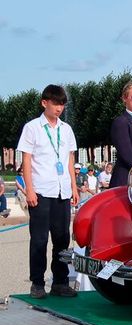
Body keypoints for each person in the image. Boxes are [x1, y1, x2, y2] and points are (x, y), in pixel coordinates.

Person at [17, 84, 79, 299]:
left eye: (62, 104)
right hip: (41, 191)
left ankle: (60, 282)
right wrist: (29, 190)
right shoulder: (32, 127)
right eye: (55, 103)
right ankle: (37, 282)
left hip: (62, 191)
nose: (59, 108)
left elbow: (70, 159)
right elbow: (26, 160)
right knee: (40, 239)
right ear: (45, 103)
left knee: (62, 239)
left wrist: (73, 185)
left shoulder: (66, 129)